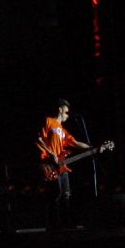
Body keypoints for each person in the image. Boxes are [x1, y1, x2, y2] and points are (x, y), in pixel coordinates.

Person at [36, 99, 91, 231]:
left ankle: (66, 223)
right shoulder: (48, 121)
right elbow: (38, 139)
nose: (68, 114)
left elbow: (75, 143)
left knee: (66, 194)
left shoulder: (62, 130)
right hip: (49, 164)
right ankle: (53, 225)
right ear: (60, 109)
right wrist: (51, 153)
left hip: (61, 165)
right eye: (66, 111)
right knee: (56, 194)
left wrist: (93, 148)